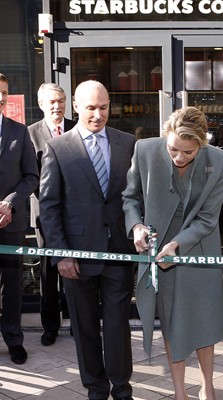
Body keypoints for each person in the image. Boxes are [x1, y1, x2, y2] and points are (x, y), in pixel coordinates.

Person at [122, 106, 223, 400]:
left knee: (204, 317)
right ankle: (180, 391)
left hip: (198, 247)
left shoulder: (220, 162)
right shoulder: (144, 151)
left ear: (202, 144)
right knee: (171, 321)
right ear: (164, 137)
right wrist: (136, 227)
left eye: (188, 152)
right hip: (160, 250)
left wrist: (178, 244)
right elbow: (130, 198)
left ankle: (207, 386)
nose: (179, 157)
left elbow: (208, 219)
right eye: (173, 149)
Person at [39, 80, 136, 400]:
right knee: (84, 327)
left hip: (119, 253)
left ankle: (121, 388)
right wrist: (60, 255)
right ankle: (96, 388)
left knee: (118, 325)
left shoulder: (128, 143)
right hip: (76, 257)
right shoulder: (58, 148)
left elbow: (135, 196)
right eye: (91, 108)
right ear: (77, 107)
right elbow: (49, 207)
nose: (98, 114)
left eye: (104, 107)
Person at [28, 82, 77, 347]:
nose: (57, 106)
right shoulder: (30, 134)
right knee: (49, 273)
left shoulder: (76, 128)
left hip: (76, 215)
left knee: (76, 269)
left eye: (60, 100)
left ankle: (77, 321)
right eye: (51, 102)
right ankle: (50, 326)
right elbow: (30, 174)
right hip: (45, 216)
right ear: (41, 104)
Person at [0, 72, 39, 365]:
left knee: (13, 286)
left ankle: (14, 340)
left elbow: (31, 176)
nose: (1, 98)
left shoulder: (19, 132)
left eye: (4, 92)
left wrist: (9, 204)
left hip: (11, 222)